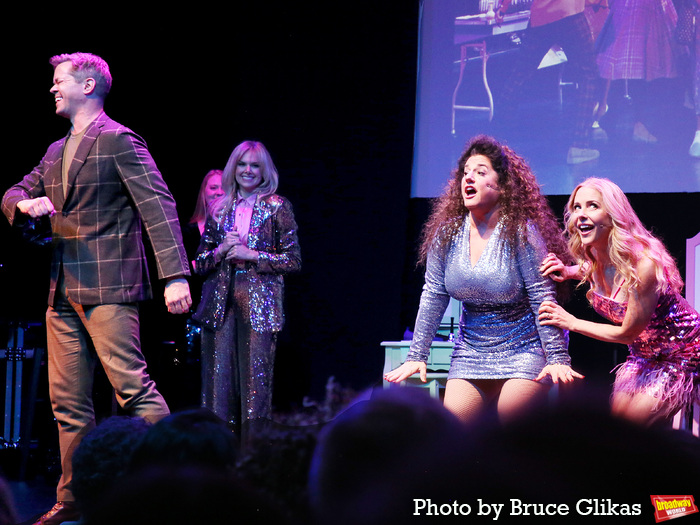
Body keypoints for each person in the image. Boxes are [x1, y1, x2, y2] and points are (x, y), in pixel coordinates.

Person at [1, 52, 192, 525]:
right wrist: (23, 206)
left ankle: (182, 483)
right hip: (61, 288)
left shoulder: (118, 140)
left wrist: (176, 274)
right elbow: (12, 192)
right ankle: (73, 498)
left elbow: (158, 204)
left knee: (132, 388)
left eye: (58, 80)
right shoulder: (54, 150)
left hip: (108, 283)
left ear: (88, 86)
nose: (52, 89)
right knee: (67, 403)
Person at [384, 135, 582, 425]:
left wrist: (557, 357)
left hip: (524, 349)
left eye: (480, 172)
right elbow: (433, 294)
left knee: (509, 429)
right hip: (471, 350)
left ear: (501, 186)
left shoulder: (521, 233)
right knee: (451, 432)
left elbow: (543, 298)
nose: (469, 178)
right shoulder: (447, 234)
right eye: (465, 172)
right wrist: (418, 354)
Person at [539, 177, 700, 426]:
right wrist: (568, 271)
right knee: (617, 428)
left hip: (684, 354)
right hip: (644, 354)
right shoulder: (596, 257)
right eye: (577, 207)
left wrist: (570, 322)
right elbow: (590, 268)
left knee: (633, 431)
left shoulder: (643, 265)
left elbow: (626, 334)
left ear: (613, 215)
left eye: (592, 205)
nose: (581, 215)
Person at [193, 140, 301, 439]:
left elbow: (293, 260)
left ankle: (254, 463)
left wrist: (254, 255)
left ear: (264, 170)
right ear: (234, 168)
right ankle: (216, 461)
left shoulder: (277, 207)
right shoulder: (219, 208)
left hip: (259, 301)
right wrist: (220, 251)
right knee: (218, 389)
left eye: (255, 165)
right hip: (220, 301)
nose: (248, 170)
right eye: (242, 164)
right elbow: (200, 264)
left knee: (255, 389)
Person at [495, 0, 600, 164]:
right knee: (588, 75)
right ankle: (580, 145)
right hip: (570, 13)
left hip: (541, 17)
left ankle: (495, 136)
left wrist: (503, 7)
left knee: (520, 73)